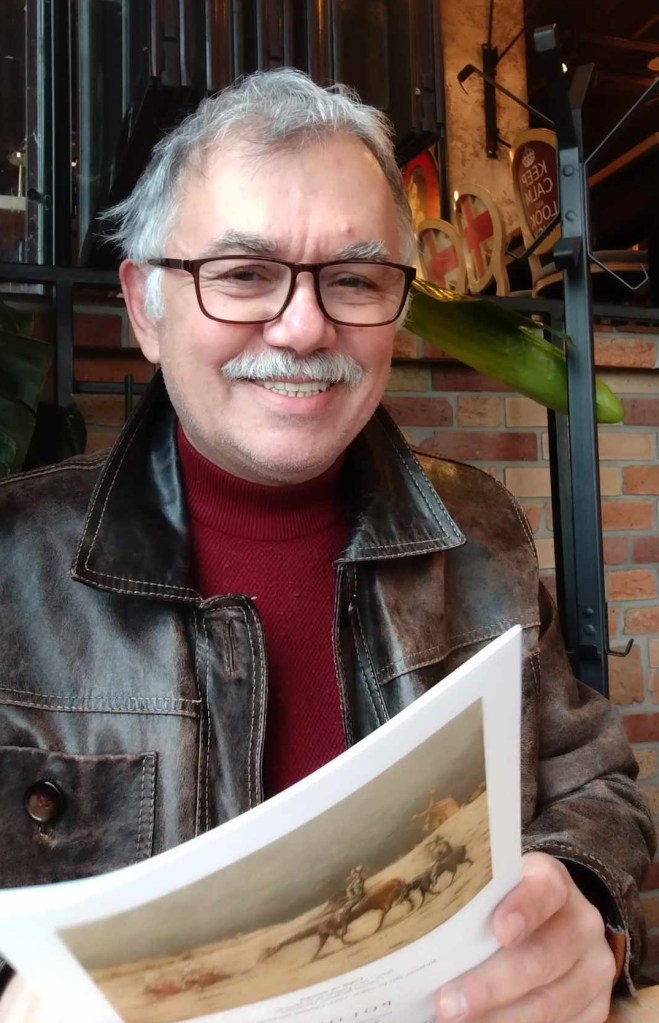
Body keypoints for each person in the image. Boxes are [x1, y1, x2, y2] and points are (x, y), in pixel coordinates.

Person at [0, 68, 653, 1023]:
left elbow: (592, 784)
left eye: (351, 279)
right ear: (145, 308)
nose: (305, 326)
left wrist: (581, 903)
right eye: (242, 275)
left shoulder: (477, 534)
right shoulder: (13, 566)